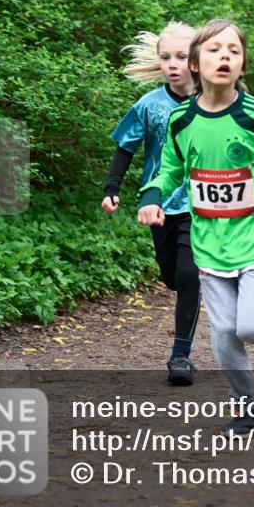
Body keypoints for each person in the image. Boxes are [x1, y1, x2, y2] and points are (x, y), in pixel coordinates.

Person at [137, 19, 254, 435]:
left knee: (252, 328)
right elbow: (168, 169)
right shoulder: (182, 119)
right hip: (208, 243)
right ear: (196, 64)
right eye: (215, 49)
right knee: (223, 337)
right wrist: (151, 197)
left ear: (242, 68)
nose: (225, 56)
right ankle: (250, 407)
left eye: (234, 51)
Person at [102, 22, 204, 386]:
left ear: (194, 60)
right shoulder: (149, 105)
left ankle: (180, 355)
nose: (173, 64)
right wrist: (112, 188)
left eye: (180, 57)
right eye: (166, 58)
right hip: (159, 205)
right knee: (173, 277)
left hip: (201, 203)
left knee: (190, 275)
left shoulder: (211, 101)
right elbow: (125, 147)